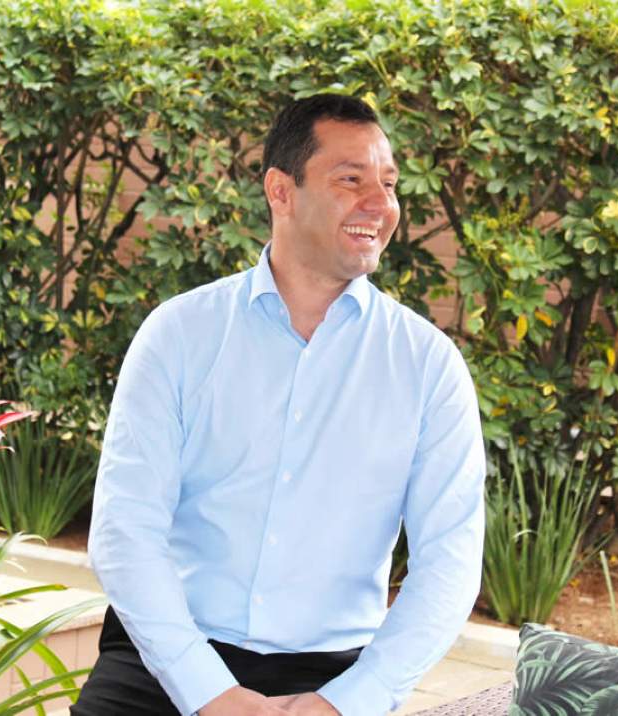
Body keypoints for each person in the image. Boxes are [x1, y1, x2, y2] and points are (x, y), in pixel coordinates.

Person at [72, 94, 486, 716]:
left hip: (334, 677)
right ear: (280, 191)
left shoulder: (428, 366)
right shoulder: (179, 334)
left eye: (389, 184)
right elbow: (125, 530)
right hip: (163, 659)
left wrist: (349, 701)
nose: (381, 204)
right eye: (351, 180)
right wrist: (206, 690)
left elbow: (449, 565)